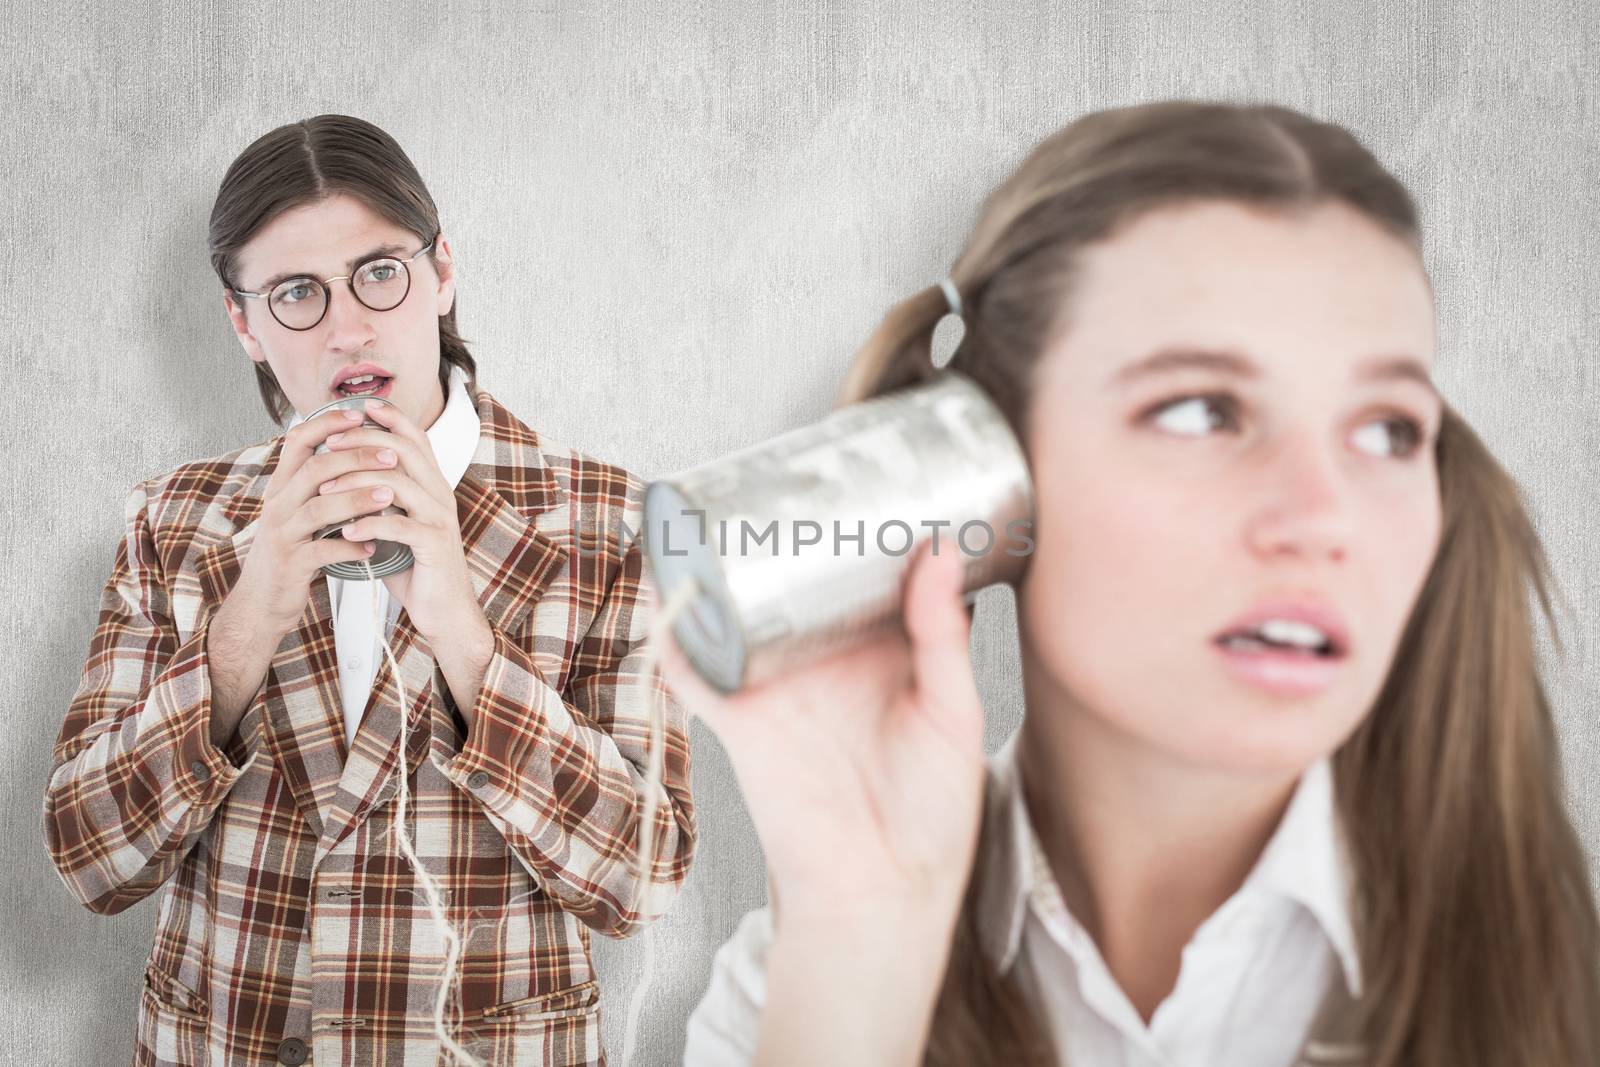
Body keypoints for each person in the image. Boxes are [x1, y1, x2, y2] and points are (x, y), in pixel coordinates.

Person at [666, 100, 1600, 1066]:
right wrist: (866, 931)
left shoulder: (1564, 989)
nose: (1326, 516)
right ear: (982, 478)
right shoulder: (793, 994)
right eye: (1202, 411)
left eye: (1387, 429)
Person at [42, 114, 695, 1067]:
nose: (349, 326)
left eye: (379, 272)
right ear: (244, 322)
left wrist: (465, 636)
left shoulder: (615, 522)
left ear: (440, 273)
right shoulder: (172, 520)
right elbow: (89, 860)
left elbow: (642, 880)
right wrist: (248, 613)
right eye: (297, 293)